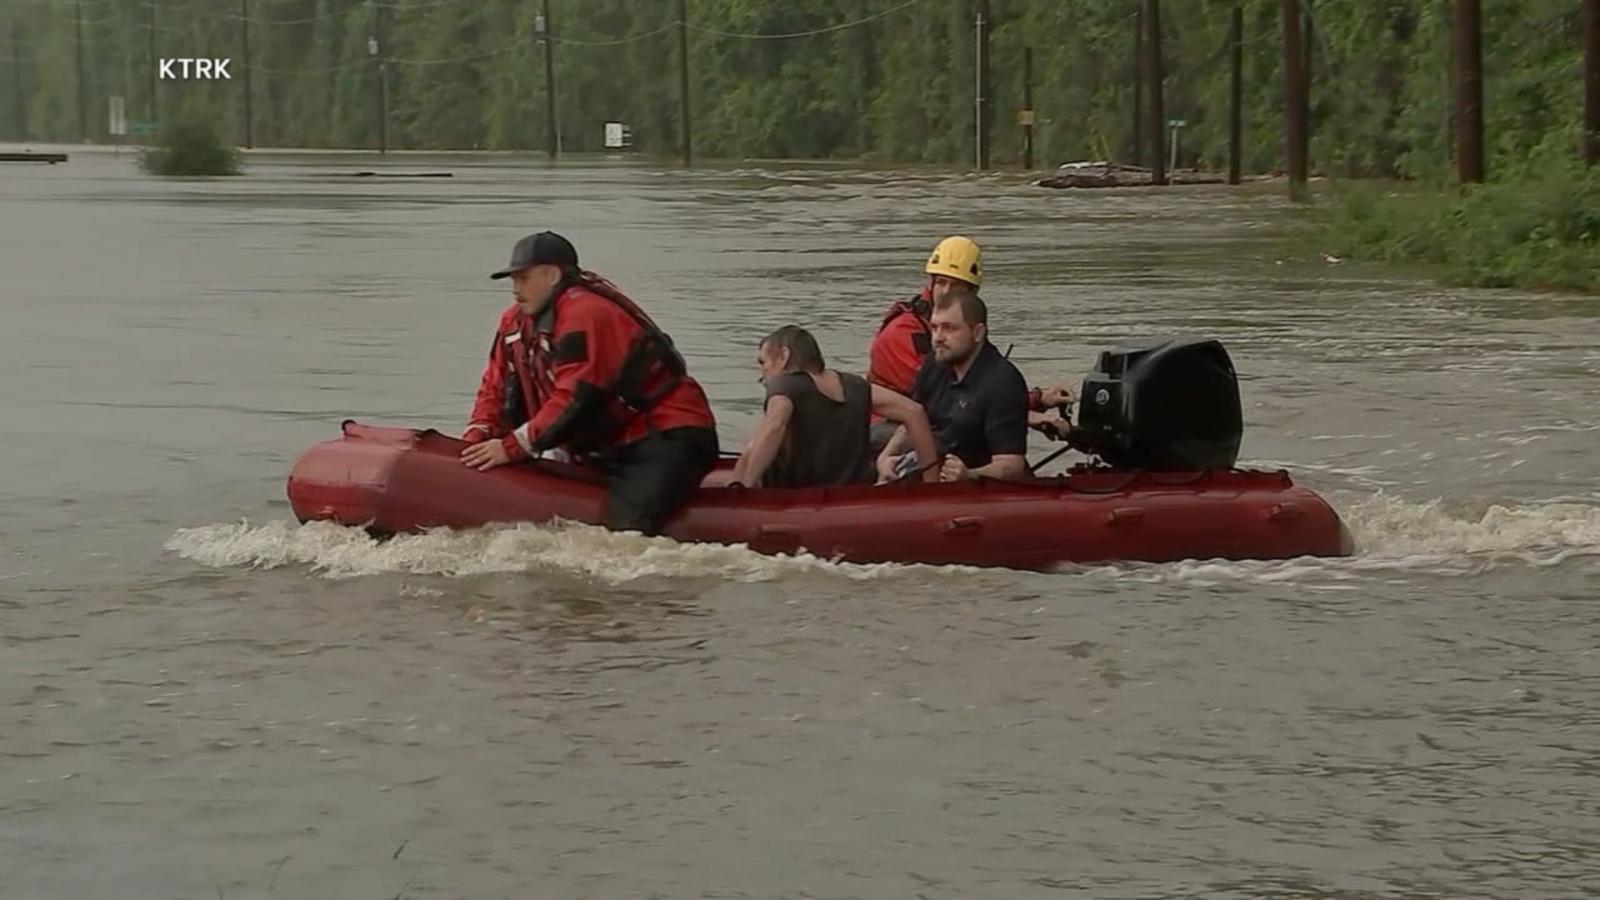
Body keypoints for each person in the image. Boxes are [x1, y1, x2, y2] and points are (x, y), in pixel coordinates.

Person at [460, 231, 720, 536]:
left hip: (665, 438)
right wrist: (478, 434)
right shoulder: (513, 324)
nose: (516, 288)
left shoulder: (587, 314)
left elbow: (577, 396)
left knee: (623, 535)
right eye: (513, 279)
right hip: (609, 445)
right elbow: (494, 385)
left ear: (553, 274)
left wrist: (514, 447)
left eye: (524, 278)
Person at [866, 235, 1073, 448]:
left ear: (972, 293)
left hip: (926, 418)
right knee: (949, 442)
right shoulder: (903, 332)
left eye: (955, 285)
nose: (946, 292)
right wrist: (1028, 415)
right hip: (884, 426)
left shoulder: (964, 328)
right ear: (930, 283)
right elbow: (946, 400)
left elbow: (985, 379)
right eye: (941, 282)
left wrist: (1037, 399)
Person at [730, 325, 939, 489]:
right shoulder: (855, 385)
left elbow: (775, 425)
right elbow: (914, 412)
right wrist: (932, 481)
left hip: (797, 498)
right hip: (852, 495)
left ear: (784, 356)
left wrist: (744, 487)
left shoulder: (784, 385)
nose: (762, 375)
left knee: (751, 447)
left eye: (763, 362)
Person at [878, 285, 1031, 483]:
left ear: (977, 333)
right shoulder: (935, 362)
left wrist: (970, 475)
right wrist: (888, 456)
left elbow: (1012, 465)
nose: (938, 338)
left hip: (976, 489)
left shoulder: (1002, 383)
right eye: (934, 328)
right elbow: (913, 420)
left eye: (949, 328)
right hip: (933, 469)